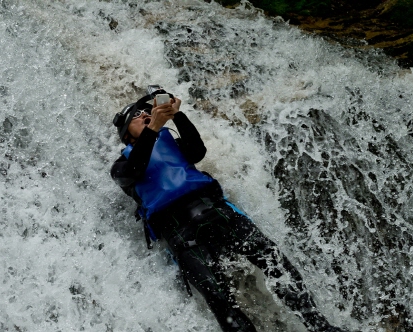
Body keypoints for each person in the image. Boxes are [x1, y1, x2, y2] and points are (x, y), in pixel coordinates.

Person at [111, 86, 347, 332]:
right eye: (136, 115)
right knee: (220, 300)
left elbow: (197, 152)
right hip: (181, 233)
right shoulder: (120, 167)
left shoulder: (175, 145)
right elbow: (136, 169)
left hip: (219, 213)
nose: (145, 114)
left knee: (273, 259)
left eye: (146, 110)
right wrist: (153, 128)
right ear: (127, 135)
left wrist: (176, 115)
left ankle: (321, 327)